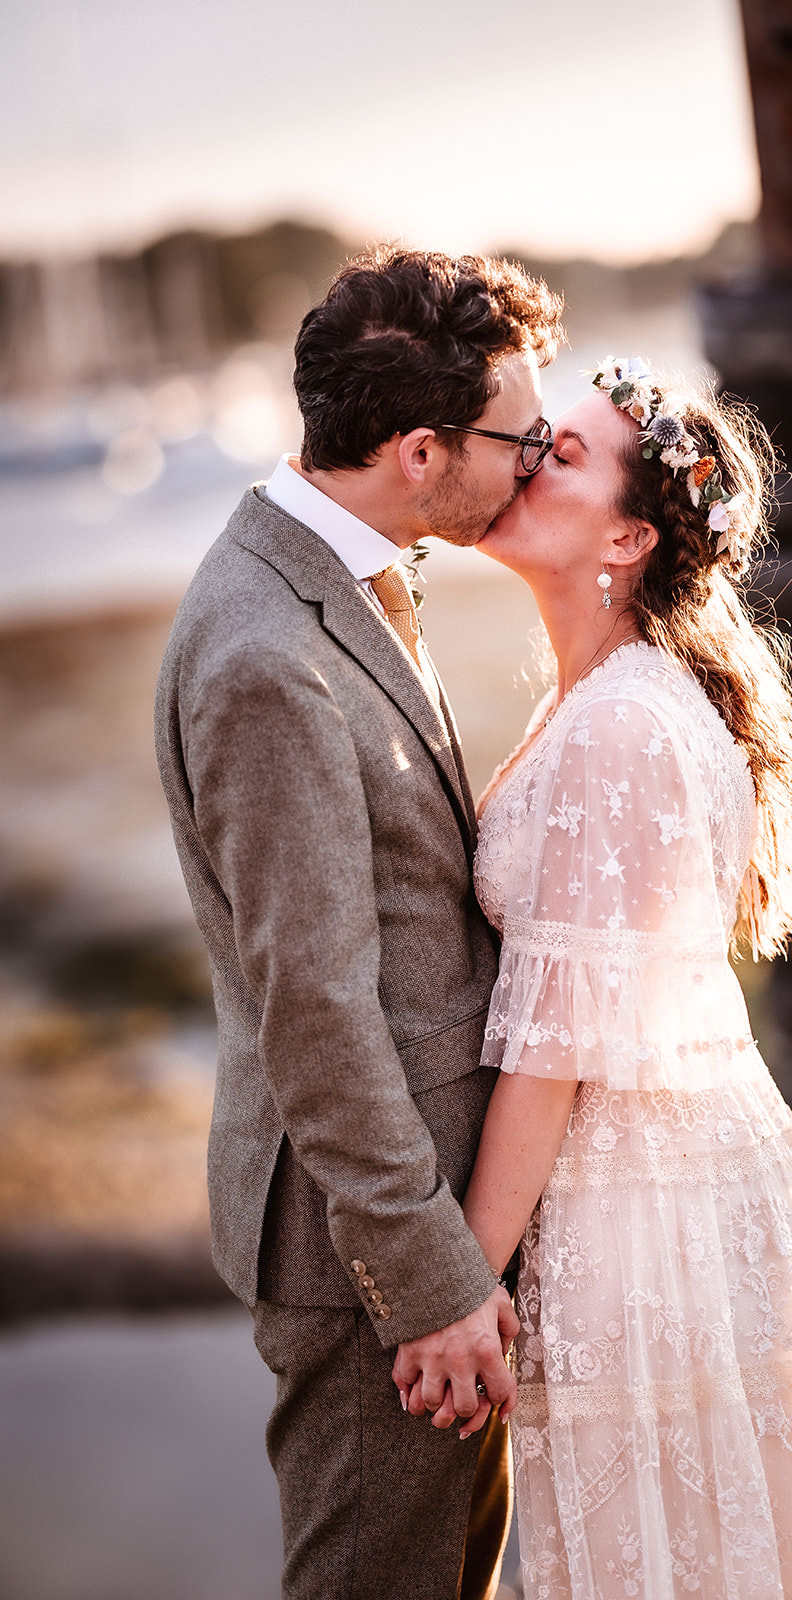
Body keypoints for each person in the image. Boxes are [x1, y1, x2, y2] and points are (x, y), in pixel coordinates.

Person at [396, 358, 792, 1597]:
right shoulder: (606, 695)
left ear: (628, 537)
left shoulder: (624, 717)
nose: (526, 460)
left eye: (562, 454)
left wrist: (457, 1293)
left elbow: (551, 1048)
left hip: (651, 1222)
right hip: (662, 1186)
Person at [154, 244, 564, 1600]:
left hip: (416, 1216)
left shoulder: (341, 567)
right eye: (521, 437)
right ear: (416, 448)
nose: (539, 458)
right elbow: (313, 1009)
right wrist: (437, 1283)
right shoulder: (264, 656)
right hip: (365, 1253)